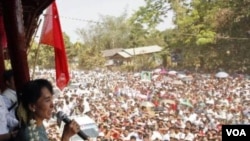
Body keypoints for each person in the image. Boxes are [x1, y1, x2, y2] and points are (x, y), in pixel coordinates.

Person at [16, 79, 81, 141]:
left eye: (52, 99)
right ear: (32, 106)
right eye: (47, 100)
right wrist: (66, 137)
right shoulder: (30, 135)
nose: (52, 105)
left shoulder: (37, 124)